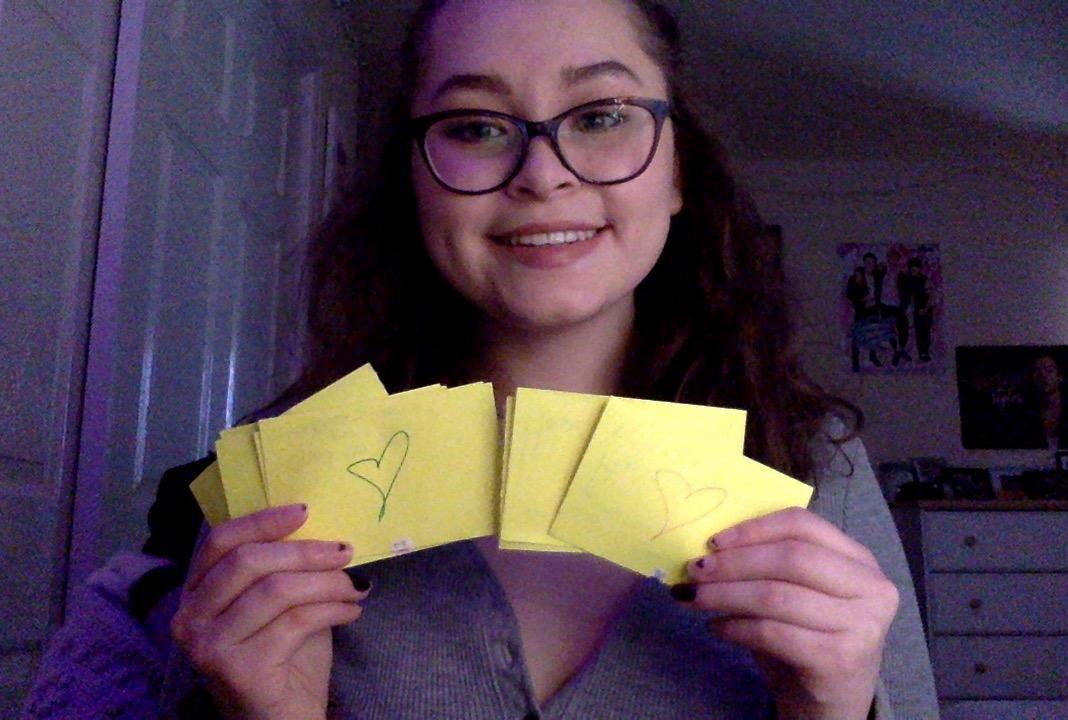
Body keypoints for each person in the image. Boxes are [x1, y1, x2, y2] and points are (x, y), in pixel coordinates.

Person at [25, 1, 938, 718]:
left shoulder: (818, 467)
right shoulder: (282, 478)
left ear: (678, 171)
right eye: (475, 126)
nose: (543, 174)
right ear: (414, 177)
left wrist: (832, 710)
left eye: (602, 114)